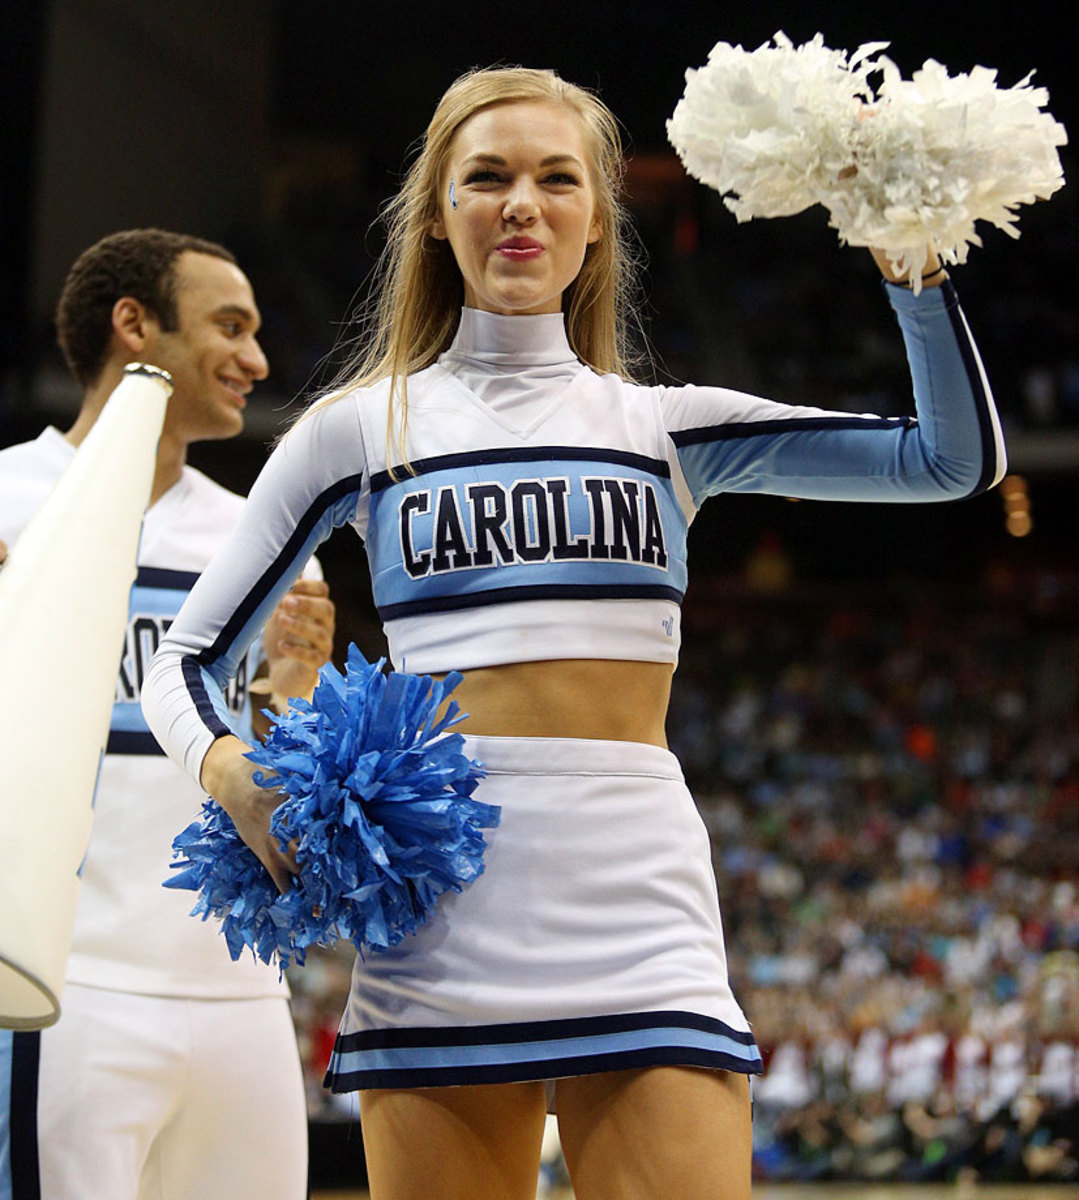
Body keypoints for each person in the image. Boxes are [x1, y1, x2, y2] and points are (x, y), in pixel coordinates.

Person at [141, 68, 1006, 1200]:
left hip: (638, 901)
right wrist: (231, 774)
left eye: (556, 180)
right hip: (440, 915)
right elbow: (188, 660)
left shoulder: (667, 428)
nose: (520, 204)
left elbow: (949, 461)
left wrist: (912, 264)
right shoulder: (356, 430)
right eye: (486, 177)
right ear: (437, 212)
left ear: (596, 219)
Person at [0, 229, 335, 1200]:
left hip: (240, 995)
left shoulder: (263, 539)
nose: (258, 361)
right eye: (229, 327)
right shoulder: (9, 500)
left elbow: (286, 796)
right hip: (65, 989)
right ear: (134, 325)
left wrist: (295, 691)